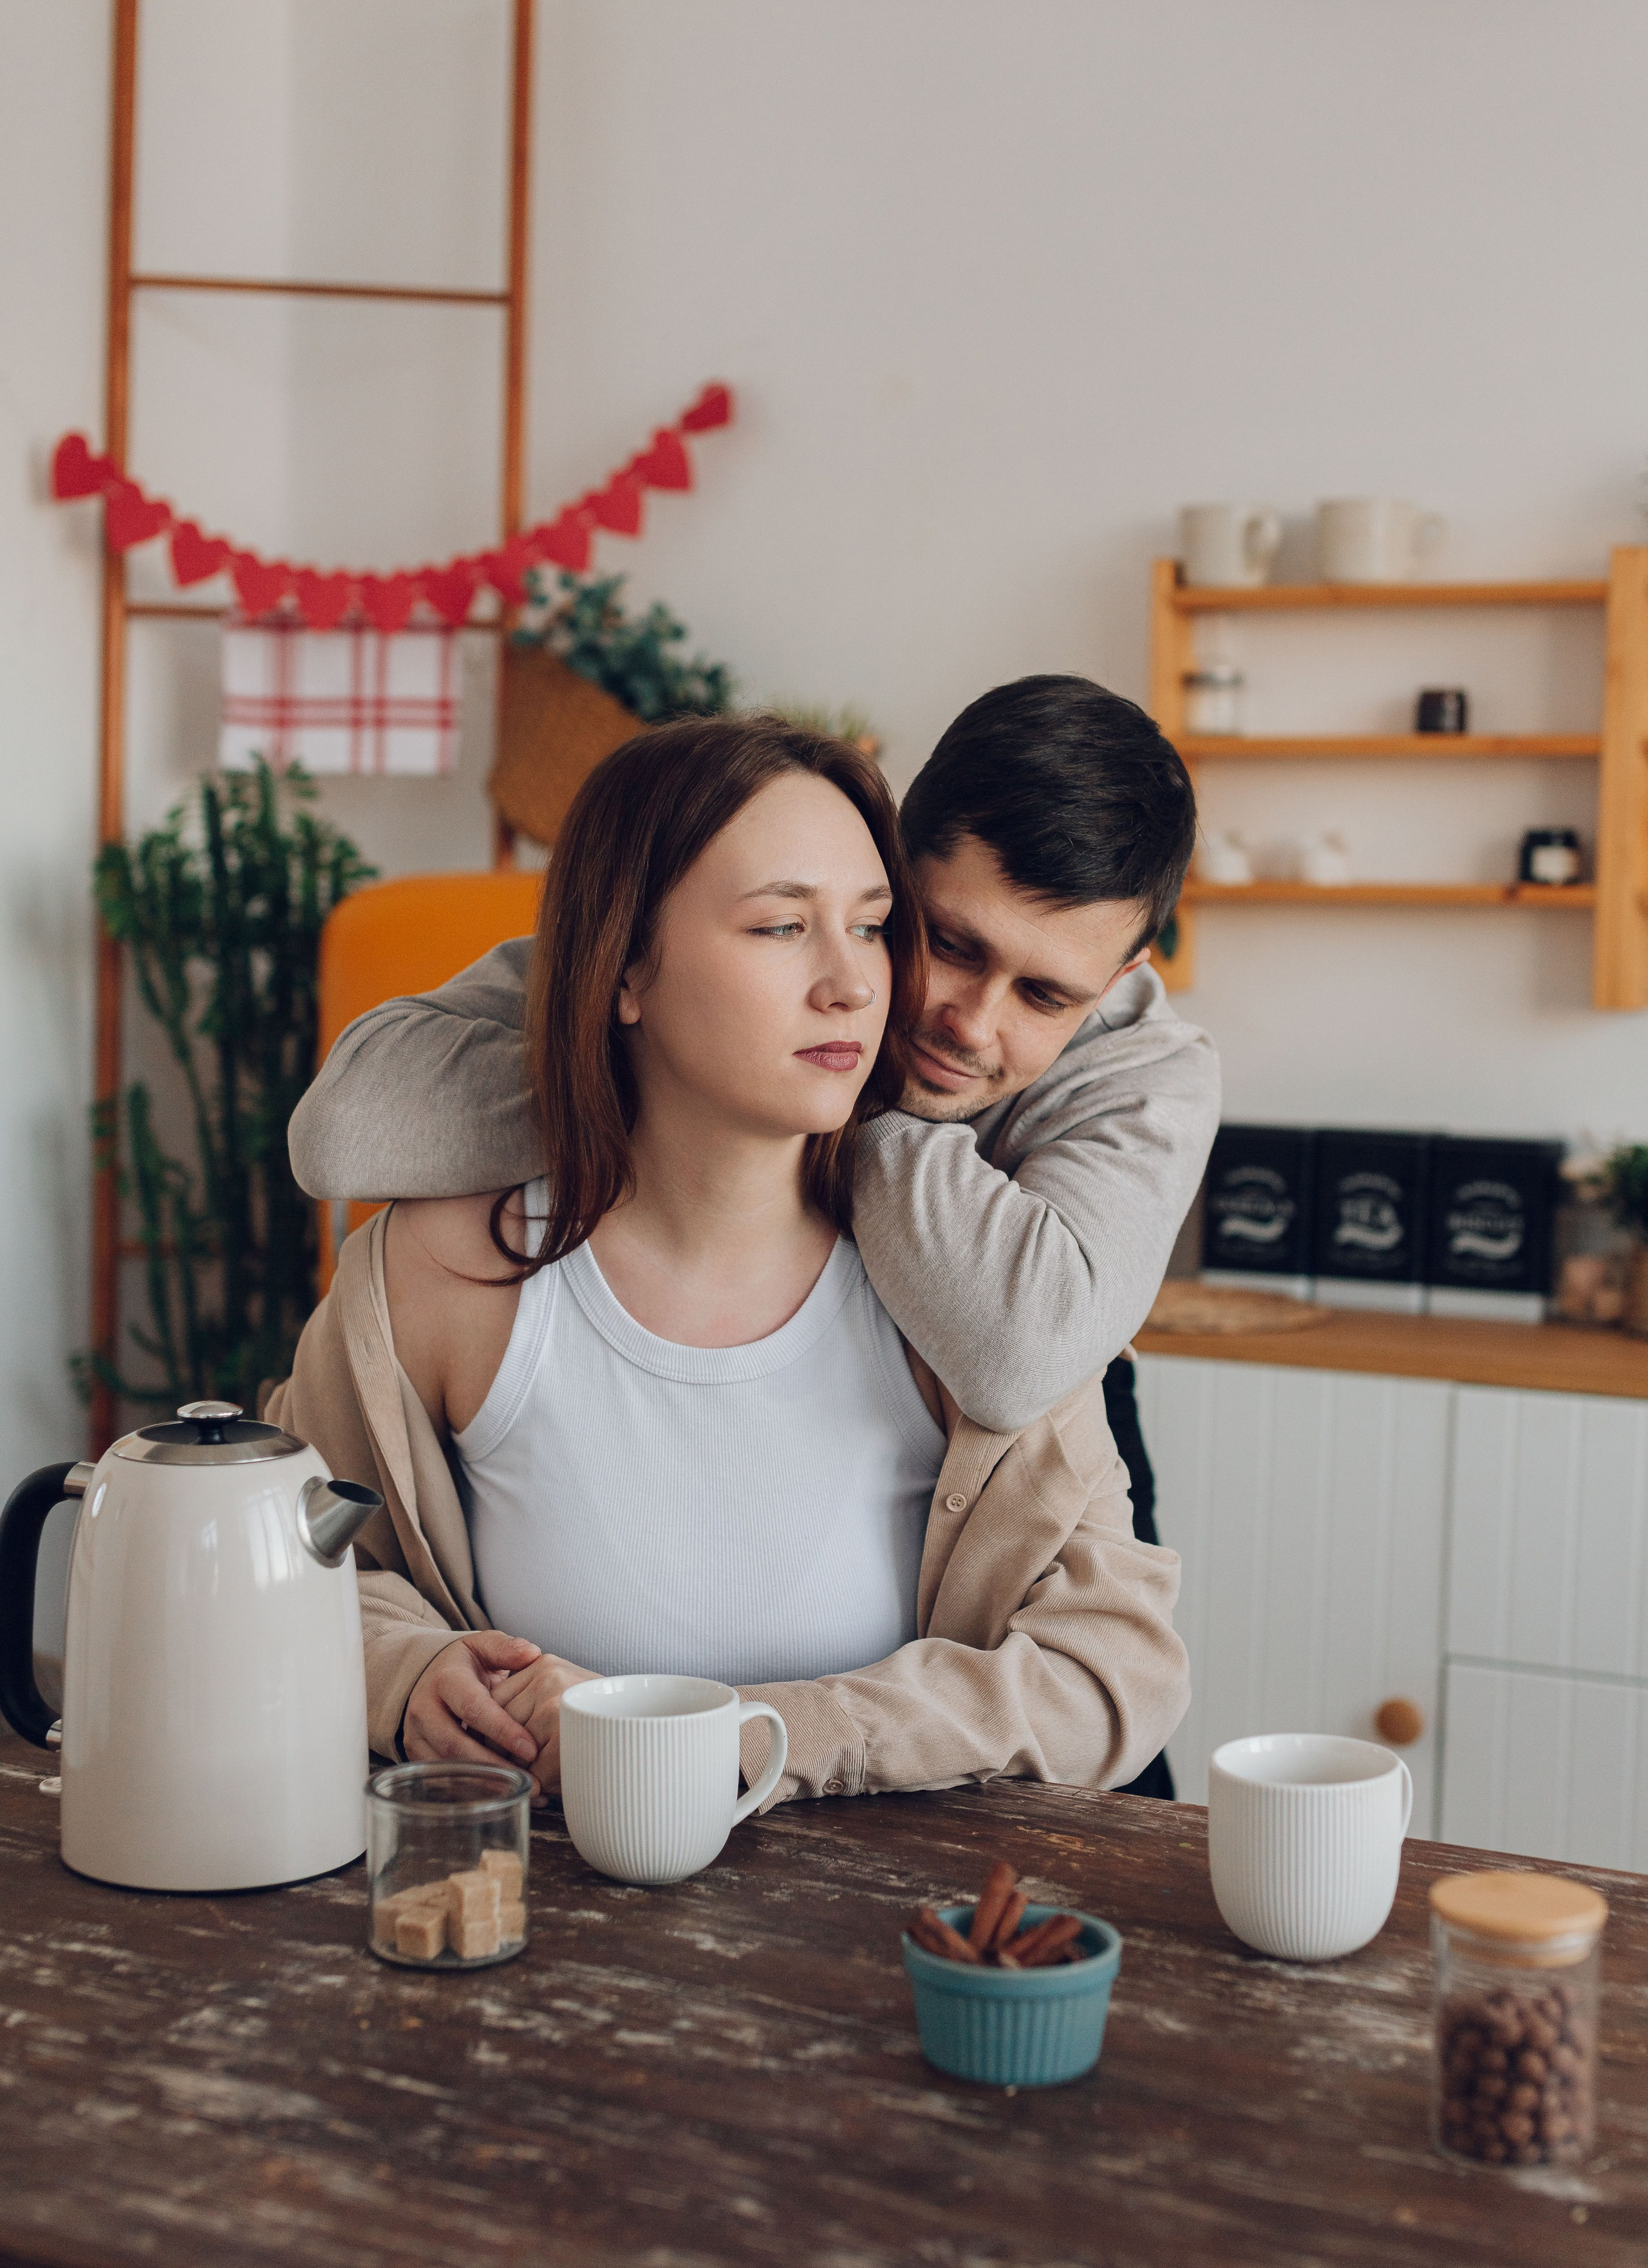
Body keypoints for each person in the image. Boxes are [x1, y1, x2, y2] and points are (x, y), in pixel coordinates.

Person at [290, 674, 1220, 1798]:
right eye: (942, 942)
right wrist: (662, 1067)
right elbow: (343, 1134)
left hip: (1025, 1372)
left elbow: (1022, 1354)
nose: (964, 1024)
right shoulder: (450, 1268)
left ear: (1115, 986)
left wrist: (820, 1089)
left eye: (1045, 998)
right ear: (898, 865)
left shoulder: (1141, 1083)